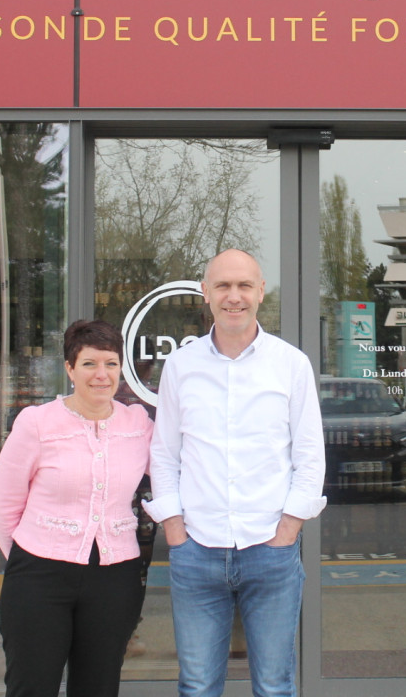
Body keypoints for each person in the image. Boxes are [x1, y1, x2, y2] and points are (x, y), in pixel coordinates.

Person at [144, 249, 326, 697]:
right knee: (199, 685)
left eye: (244, 285)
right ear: (205, 294)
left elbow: (310, 456)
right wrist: (175, 529)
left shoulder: (291, 365)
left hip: (271, 550)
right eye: (223, 286)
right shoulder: (181, 367)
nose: (234, 297)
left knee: (274, 685)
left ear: (261, 292)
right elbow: (165, 454)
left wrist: (287, 529)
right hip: (196, 551)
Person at [0, 319, 153, 697]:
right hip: (39, 575)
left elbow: (174, 472)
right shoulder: (37, 423)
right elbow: (3, 504)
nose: (102, 374)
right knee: (32, 685)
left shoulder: (137, 424)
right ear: (70, 369)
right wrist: (25, 560)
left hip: (115, 577)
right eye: (90, 364)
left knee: (99, 686)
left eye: (111, 364)